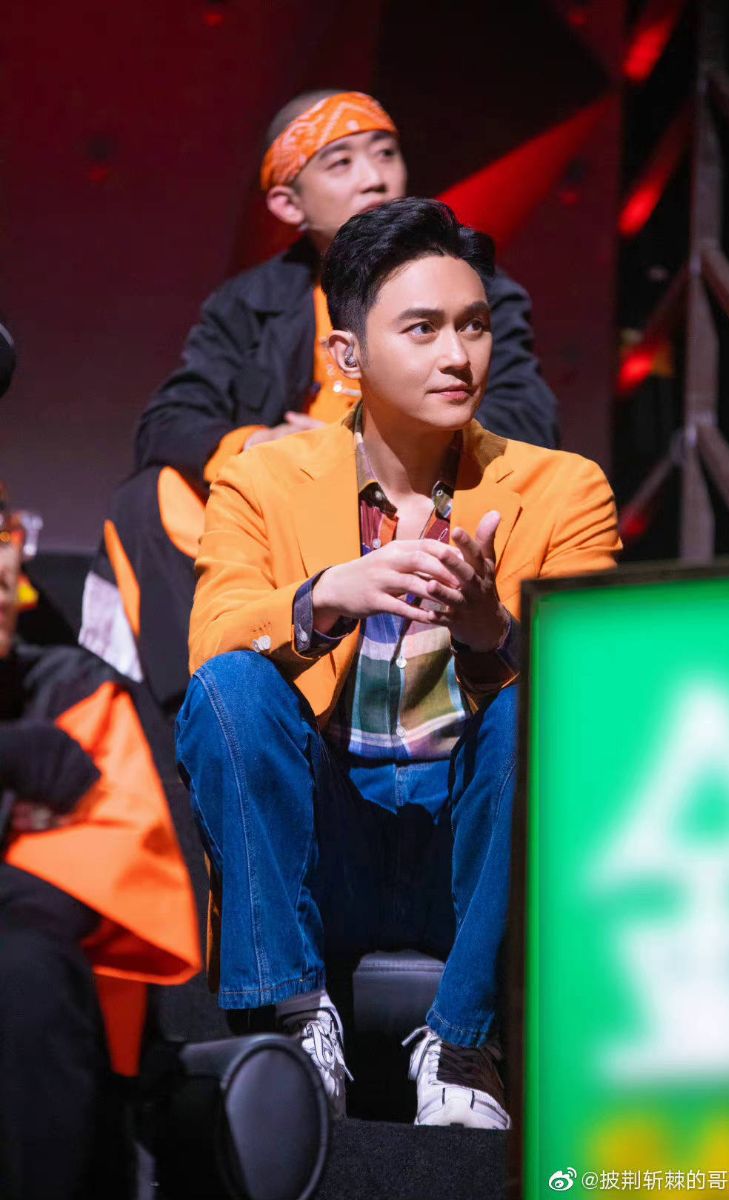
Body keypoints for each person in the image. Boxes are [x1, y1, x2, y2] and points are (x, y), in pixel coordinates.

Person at [175, 198, 620, 1128]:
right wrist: (322, 598)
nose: (459, 356)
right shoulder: (262, 479)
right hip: (331, 836)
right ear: (348, 354)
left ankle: (463, 1048)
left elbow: (597, 707)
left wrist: (491, 633)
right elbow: (211, 651)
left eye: (474, 326)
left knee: (549, 709)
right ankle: (292, 1026)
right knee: (235, 688)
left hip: (474, 846)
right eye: (423, 329)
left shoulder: (563, 488)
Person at [81, 88, 559, 709]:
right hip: (296, 520)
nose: (375, 177)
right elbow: (169, 421)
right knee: (152, 496)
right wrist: (266, 446)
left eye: (385, 153)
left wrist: (400, 442)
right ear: (288, 202)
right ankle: (206, 707)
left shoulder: (473, 291)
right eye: (341, 163)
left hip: (430, 504)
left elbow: (528, 419)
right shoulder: (248, 303)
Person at [0, 484, 201, 1200]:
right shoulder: (41, 739)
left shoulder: (76, 693)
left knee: (22, 966)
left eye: (4, 533)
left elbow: (68, 898)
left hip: (52, 1066)